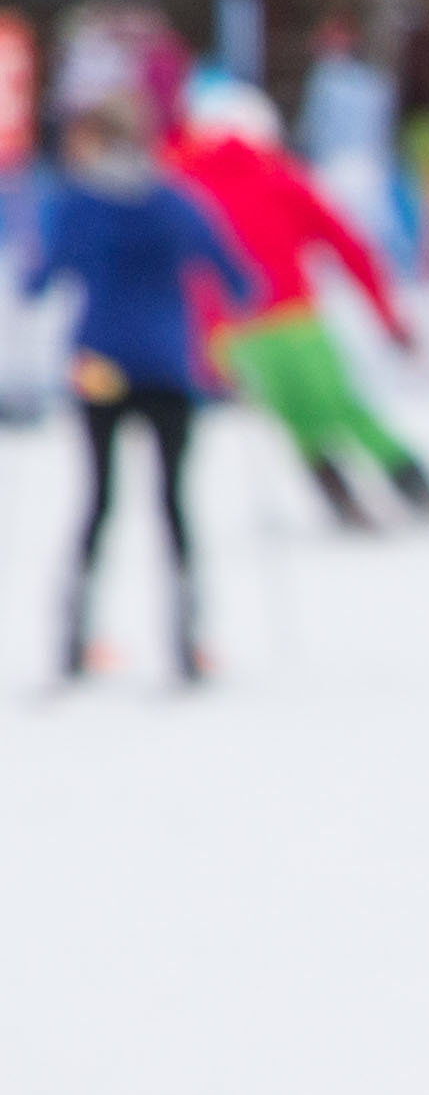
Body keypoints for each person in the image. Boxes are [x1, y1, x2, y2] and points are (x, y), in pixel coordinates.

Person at [23, 91, 258, 682]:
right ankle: (185, 643)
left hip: (98, 365)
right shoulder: (176, 203)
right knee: (173, 504)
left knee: (98, 501)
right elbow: (236, 277)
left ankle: (72, 643)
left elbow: (38, 281)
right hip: (167, 368)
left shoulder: (76, 205)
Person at [167, 75, 429, 528]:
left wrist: (199, 350)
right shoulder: (279, 177)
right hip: (294, 323)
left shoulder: (178, 189)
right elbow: (352, 249)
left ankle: (336, 493)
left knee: (296, 420)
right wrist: (390, 320)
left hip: (229, 337)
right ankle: (412, 483)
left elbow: (173, 275)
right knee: (343, 407)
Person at [296, 13, 405, 253]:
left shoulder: (332, 79)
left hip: (342, 168)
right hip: (362, 169)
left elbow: (315, 128)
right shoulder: (370, 81)